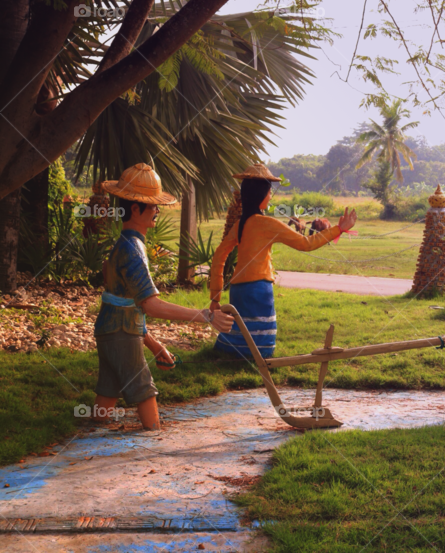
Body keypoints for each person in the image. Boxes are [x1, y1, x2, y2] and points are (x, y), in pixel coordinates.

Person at [95, 163, 235, 430]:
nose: (157, 211)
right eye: (153, 206)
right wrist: (206, 316)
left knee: (108, 391)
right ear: (136, 209)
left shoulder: (124, 245)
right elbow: (150, 305)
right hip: (122, 334)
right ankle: (154, 438)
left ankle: (87, 438)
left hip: (110, 330)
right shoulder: (134, 250)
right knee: (144, 391)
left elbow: (128, 306)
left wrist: (156, 347)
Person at [209, 164, 357, 357]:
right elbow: (306, 243)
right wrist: (339, 229)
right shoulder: (267, 224)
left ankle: (233, 353)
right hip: (258, 290)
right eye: (269, 192)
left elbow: (219, 256)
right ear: (261, 195)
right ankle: (256, 356)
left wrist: (215, 297)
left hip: (238, 290)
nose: (271, 196)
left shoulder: (240, 224)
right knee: (261, 346)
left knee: (239, 336)